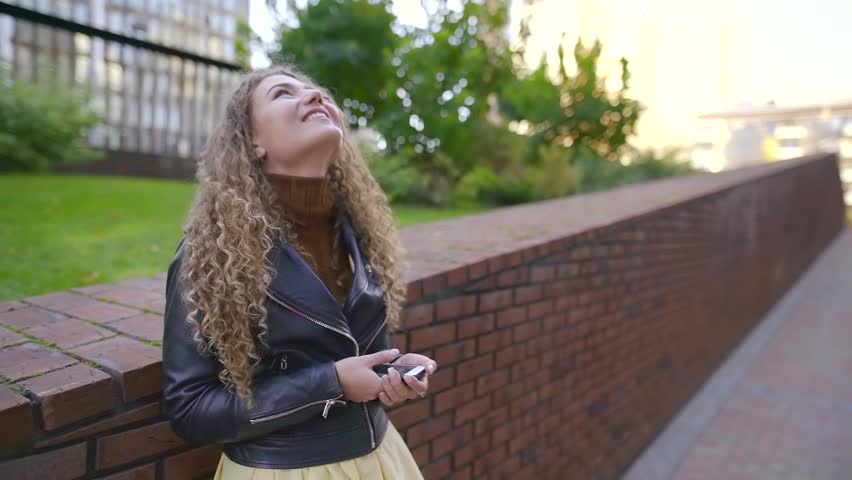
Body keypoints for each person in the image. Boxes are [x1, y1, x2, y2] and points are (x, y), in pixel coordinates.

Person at [161, 64, 437, 479]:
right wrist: (331, 384)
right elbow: (191, 408)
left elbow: (357, 359)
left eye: (318, 92)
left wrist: (390, 374)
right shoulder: (211, 253)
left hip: (382, 460)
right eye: (283, 94)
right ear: (252, 142)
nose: (315, 96)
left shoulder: (361, 237)